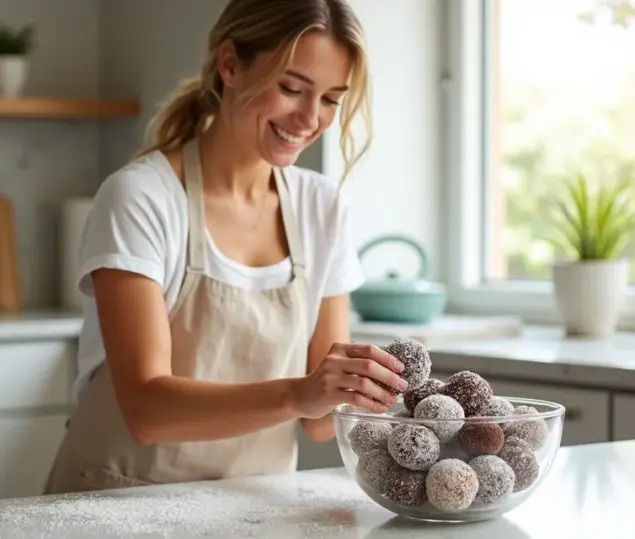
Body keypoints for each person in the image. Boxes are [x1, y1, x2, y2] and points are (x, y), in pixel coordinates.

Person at [44, 0, 407, 494]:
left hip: (254, 506)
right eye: (292, 88)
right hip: (117, 501)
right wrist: (301, 392)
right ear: (230, 65)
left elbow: (322, 421)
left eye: (330, 99)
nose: (310, 118)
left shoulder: (321, 207)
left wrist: (370, 390)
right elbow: (147, 412)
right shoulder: (142, 197)